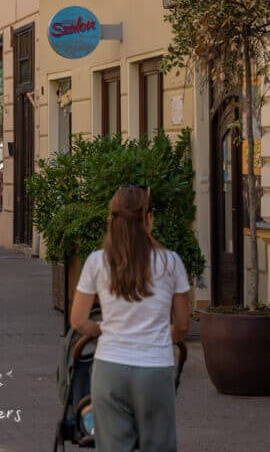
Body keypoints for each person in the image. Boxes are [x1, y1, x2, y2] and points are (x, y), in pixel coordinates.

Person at [70, 185, 191, 452]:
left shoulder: (97, 261)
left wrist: (102, 328)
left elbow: (78, 321)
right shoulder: (171, 263)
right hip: (154, 369)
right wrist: (162, 336)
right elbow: (182, 324)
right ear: (148, 219)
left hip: (110, 367)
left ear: (112, 219)